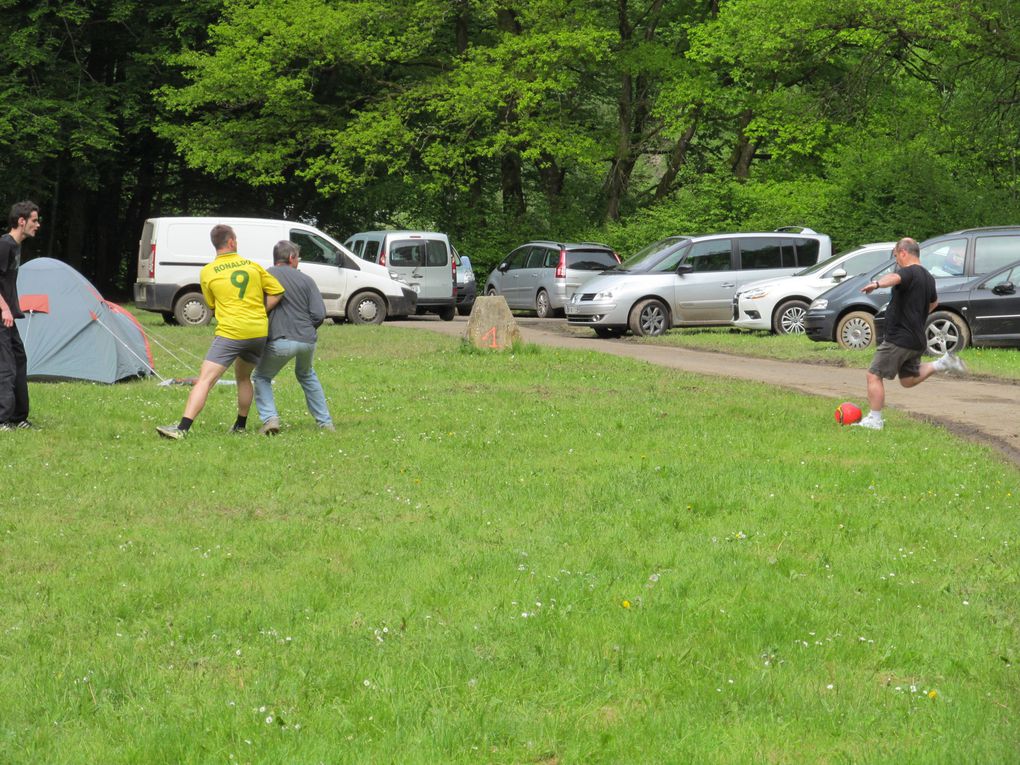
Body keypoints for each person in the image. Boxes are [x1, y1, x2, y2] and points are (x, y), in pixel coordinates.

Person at [157, 224, 285, 439]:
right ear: (232, 242)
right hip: (257, 332)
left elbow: (212, 305)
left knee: (205, 380)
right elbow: (277, 291)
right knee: (244, 377)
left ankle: (182, 429)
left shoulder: (207, 272)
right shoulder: (253, 266)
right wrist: (261, 311)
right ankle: (240, 425)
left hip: (231, 332)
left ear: (215, 244)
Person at [855, 237, 966, 430]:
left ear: (904, 252)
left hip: (898, 337)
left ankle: (875, 419)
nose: (896, 260)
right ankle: (942, 363)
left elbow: (895, 278)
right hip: (916, 338)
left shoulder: (907, 272)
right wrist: (915, 314)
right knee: (908, 379)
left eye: (896, 255)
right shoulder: (928, 277)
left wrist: (877, 284)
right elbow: (934, 303)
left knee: (873, 374)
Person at [252, 241, 334, 434]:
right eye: (298, 257)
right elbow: (319, 314)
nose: (299, 261)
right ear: (291, 258)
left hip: (279, 339)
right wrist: (305, 329)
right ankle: (325, 423)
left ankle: (270, 419)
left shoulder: (264, 276)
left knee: (261, 376)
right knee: (306, 375)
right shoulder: (307, 280)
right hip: (307, 340)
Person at [0, 201, 41, 431]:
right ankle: (2, 420)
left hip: (8, 316)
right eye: (34, 220)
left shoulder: (16, 246)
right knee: (6, 366)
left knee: (18, 360)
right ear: (21, 221)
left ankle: (18, 417)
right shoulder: (4, 245)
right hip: (1, 314)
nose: (38, 225)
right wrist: (4, 308)